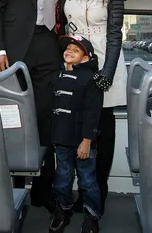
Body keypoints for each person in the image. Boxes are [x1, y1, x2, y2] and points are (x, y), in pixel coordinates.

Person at [0, 0, 72, 212]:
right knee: (12, 119)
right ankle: (8, 188)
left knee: (48, 116)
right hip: (13, 50)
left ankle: (42, 190)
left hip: (49, 45)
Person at [64, 0, 127, 214]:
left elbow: (115, 35)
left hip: (105, 62)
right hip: (77, 64)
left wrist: (108, 73)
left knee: (103, 130)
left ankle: (98, 193)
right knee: (81, 130)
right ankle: (85, 191)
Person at [50, 34, 103, 233]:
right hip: (61, 139)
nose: (69, 51)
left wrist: (87, 140)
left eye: (76, 50)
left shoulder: (91, 79)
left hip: (83, 141)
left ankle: (92, 217)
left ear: (86, 58)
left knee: (88, 181)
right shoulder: (57, 76)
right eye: (68, 48)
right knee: (62, 179)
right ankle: (63, 210)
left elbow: (93, 112)